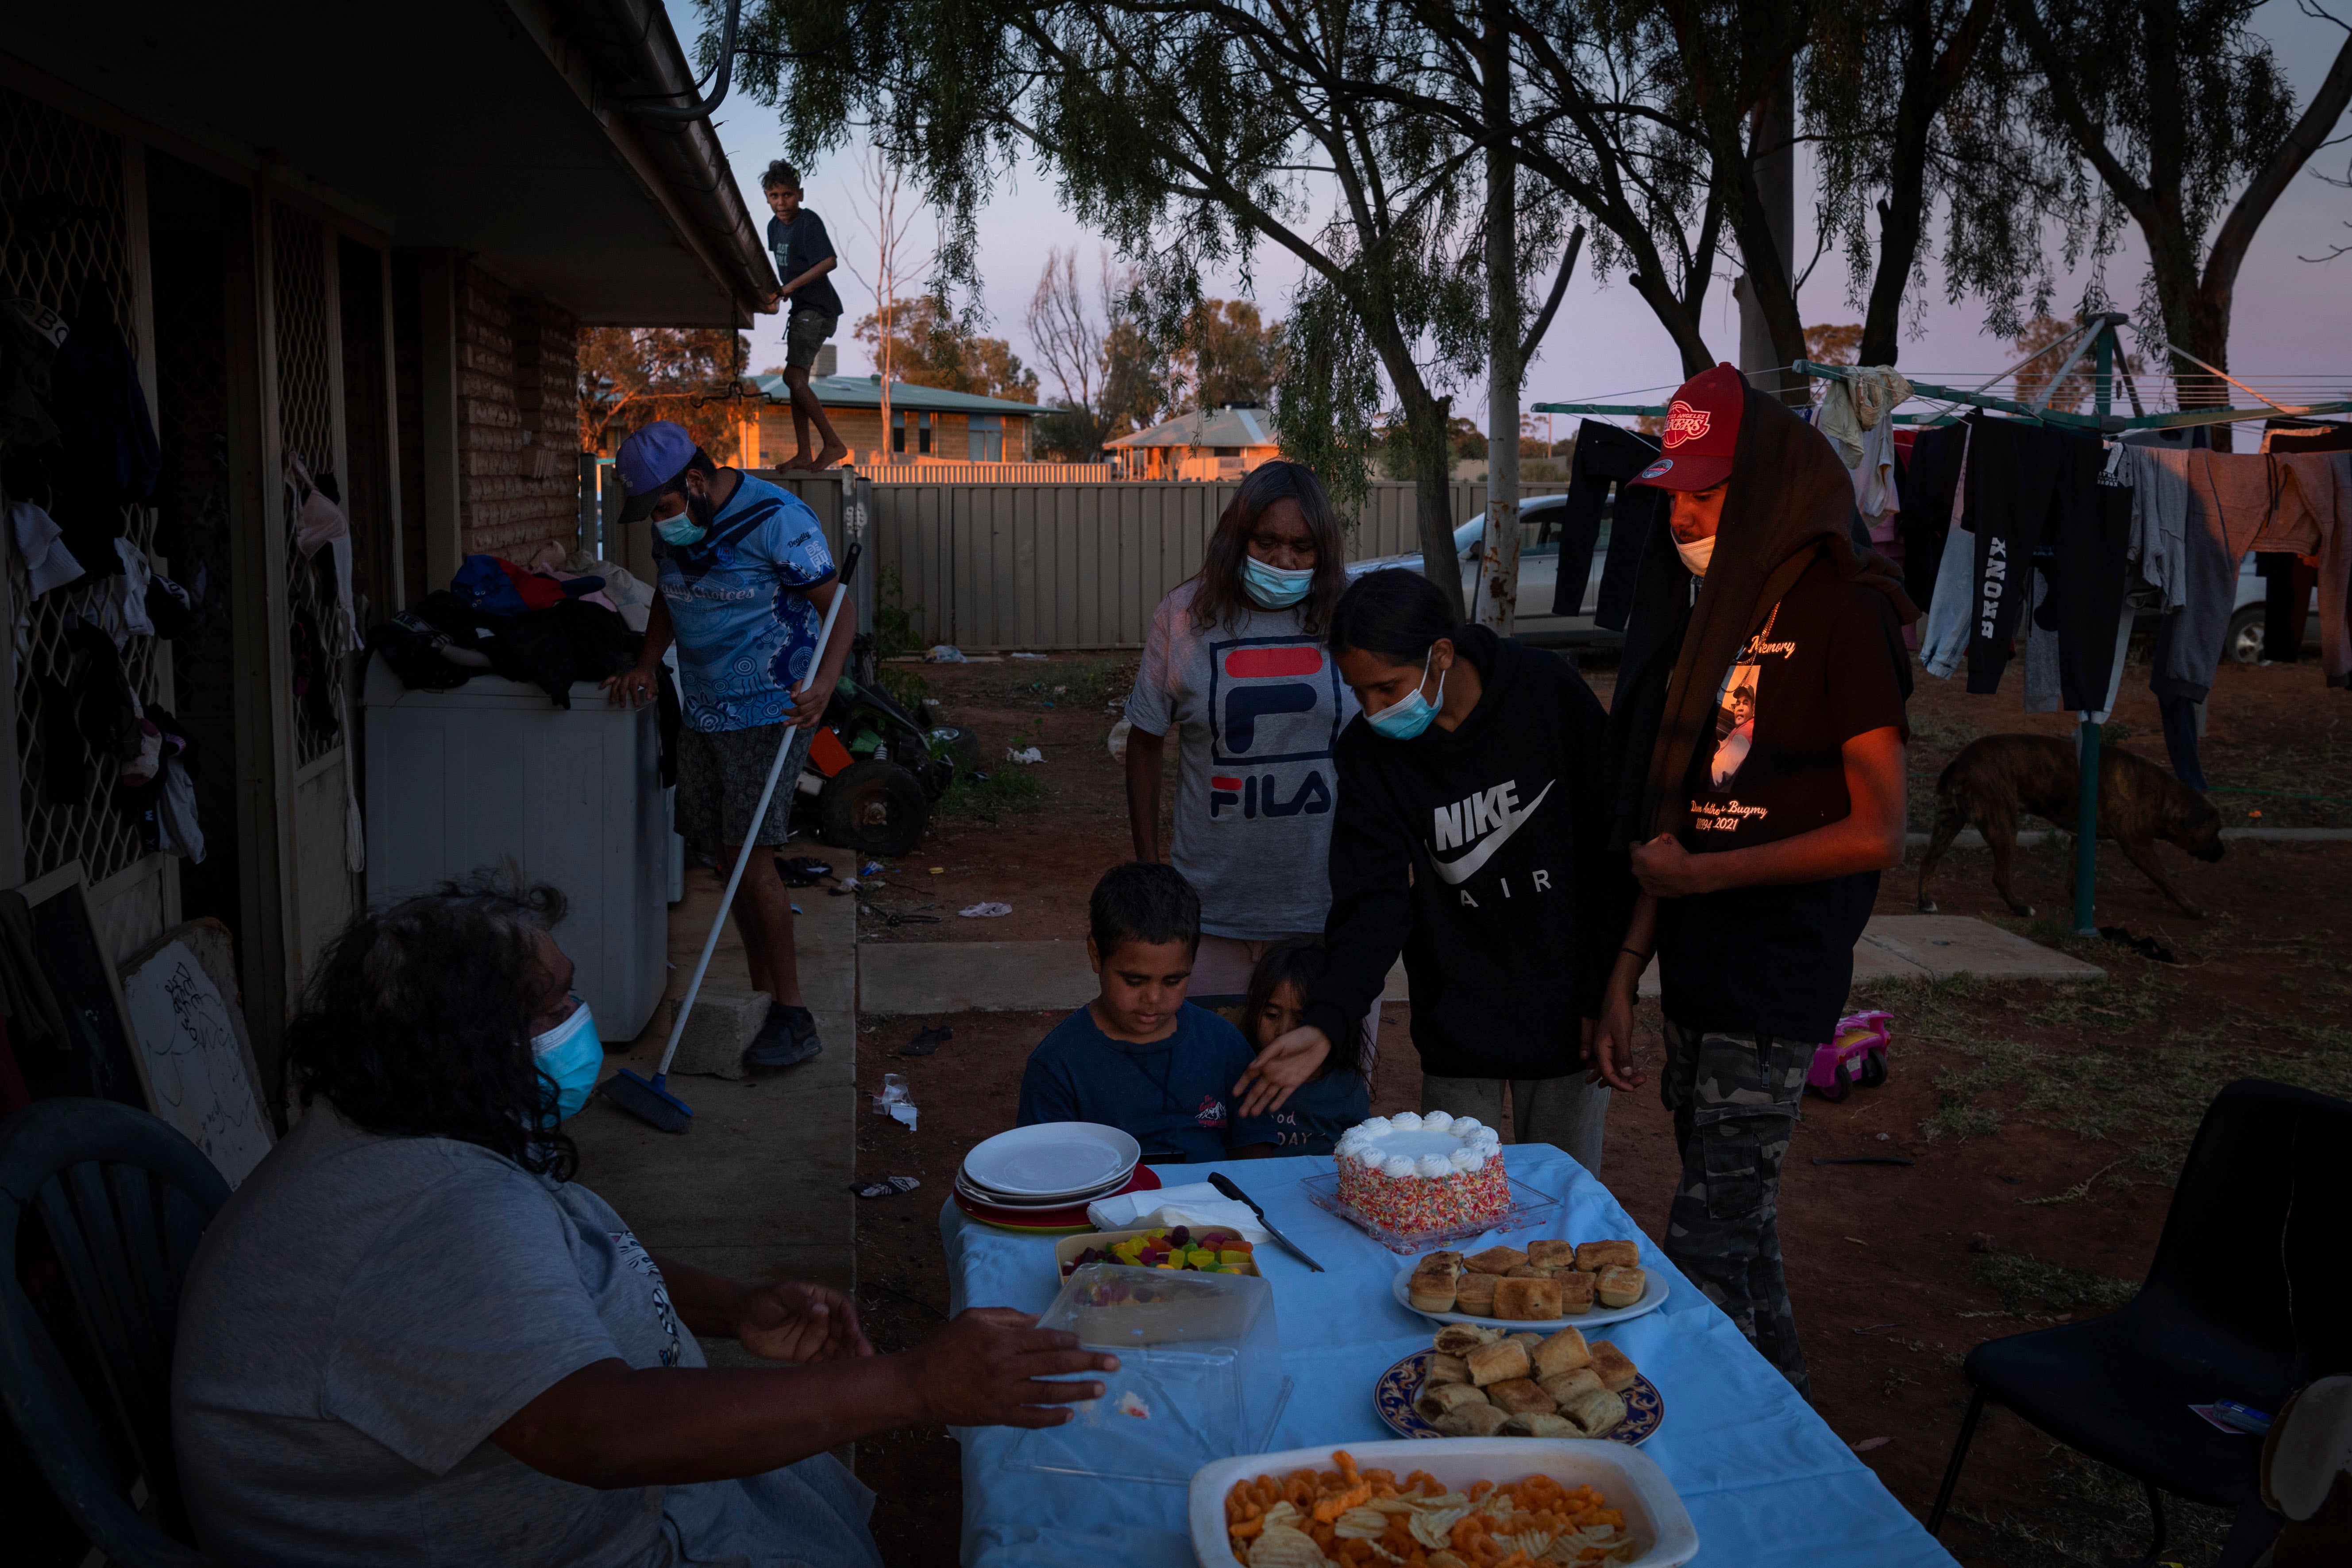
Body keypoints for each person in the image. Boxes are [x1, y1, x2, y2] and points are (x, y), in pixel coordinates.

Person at [170, 882, 1118, 1568]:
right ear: (467, 1044)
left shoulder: (392, 1126)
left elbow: (550, 1260)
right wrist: (913, 1384)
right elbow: (603, 1436)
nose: (580, 1021)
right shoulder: (430, 1219)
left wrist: (725, 1303)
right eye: (553, 1006)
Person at [1587, 362, 1916, 1396]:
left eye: (1707, 494)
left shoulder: (1846, 614)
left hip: (1776, 979)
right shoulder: (1709, 619)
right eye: (1677, 495)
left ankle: (1699, 1466)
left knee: (1700, 1250)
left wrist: (1709, 874)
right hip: (1694, 971)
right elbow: (1672, 825)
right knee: (1740, 1230)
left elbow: (1877, 830)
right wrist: (1627, 967)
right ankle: (1799, 1432)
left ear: (1772, 486)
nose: (1684, 515)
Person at [1234, 569, 1622, 1175]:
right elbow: (1371, 901)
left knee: (1565, 1203)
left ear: (1441, 654)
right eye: (1358, 692)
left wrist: (1606, 986)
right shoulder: (1367, 754)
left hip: (1569, 1016)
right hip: (1457, 1022)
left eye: (1387, 688)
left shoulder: (1547, 695)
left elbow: (1608, 852)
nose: (1373, 709)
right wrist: (1327, 1021)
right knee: (1454, 1212)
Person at [603, 420, 852, 1071]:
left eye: (663, 508)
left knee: (750, 854)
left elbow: (841, 607)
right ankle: (764, 999)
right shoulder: (677, 526)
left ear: (694, 479)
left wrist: (824, 684)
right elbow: (671, 597)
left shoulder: (777, 517)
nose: (661, 524)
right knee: (722, 853)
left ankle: (794, 1013)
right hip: (703, 709)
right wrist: (645, 662)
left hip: (771, 706)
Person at [1122, 461, 1370, 1059]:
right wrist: (1153, 871)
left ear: (1323, 549)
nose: (1284, 561)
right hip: (1209, 916)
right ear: (1237, 536)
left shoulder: (1351, 616)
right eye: (1267, 542)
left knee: (1320, 1109)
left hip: (1324, 912)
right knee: (1205, 1097)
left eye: (1301, 546)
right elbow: (1145, 741)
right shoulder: (1183, 616)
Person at [1018, 861, 1278, 1163]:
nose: (1153, 998)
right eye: (1134, 980)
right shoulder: (1058, 1064)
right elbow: (1049, 1174)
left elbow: (1255, 1154)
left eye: (1173, 980)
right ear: (1096, 955)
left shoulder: (1223, 1045)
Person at [1237, 937, 1369, 1154]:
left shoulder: (1346, 1085)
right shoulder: (1241, 1072)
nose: (1284, 1032)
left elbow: (1361, 1151)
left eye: (1300, 1021)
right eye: (1272, 1015)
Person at [762, 160, 848, 472]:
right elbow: (780, 269)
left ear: (800, 194)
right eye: (774, 196)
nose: (781, 202)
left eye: (787, 195)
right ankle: (803, 453)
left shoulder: (808, 223)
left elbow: (829, 262)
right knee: (794, 379)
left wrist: (789, 289)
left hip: (818, 309)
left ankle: (834, 444)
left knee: (793, 377)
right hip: (801, 310)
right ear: (767, 198)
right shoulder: (774, 227)